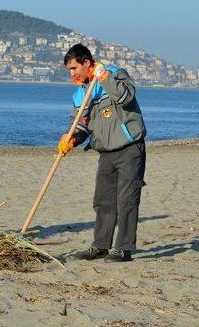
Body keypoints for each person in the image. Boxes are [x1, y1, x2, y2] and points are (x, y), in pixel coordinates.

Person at [59, 43, 146, 262]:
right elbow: (80, 125)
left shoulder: (116, 74)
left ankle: (124, 248)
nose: (72, 74)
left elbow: (125, 97)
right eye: (69, 70)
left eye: (74, 69)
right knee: (103, 201)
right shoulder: (80, 95)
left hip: (129, 147)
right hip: (106, 151)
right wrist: (70, 139)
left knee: (127, 199)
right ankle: (100, 246)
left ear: (86, 63)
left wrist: (104, 77)